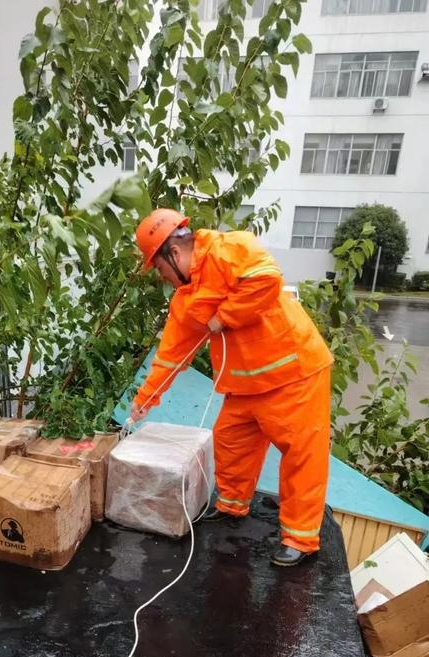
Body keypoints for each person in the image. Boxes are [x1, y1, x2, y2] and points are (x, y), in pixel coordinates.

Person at [130, 208, 333, 567]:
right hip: (244, 385)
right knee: (230, 441)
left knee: (302, 455)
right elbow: (171, 355)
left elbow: (266, 280)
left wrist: (224, 317)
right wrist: (146, 399)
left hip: (293, 374)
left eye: (160, 270)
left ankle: (301, 539)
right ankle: (232, 506)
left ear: (174, 254)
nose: (164, 279)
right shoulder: (186, 299)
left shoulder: (228, 248)